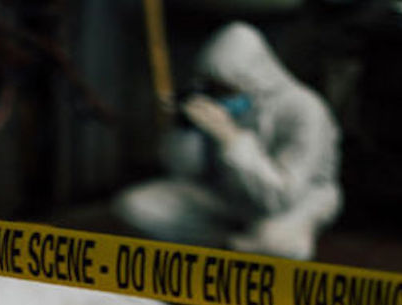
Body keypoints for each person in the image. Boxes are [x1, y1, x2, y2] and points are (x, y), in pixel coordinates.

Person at [116, 22, 341, 261]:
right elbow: (186, 175)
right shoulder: (221, 102)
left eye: (227, 89)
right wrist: (185, 129)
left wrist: (231, 138)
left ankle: (246, 244)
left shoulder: (304, 109)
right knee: (134, 207)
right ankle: (234, 245)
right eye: (213, 88)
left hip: (293, 200)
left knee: (276, 243)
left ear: (253, 78)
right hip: (229, 192)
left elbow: (279, 197)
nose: (219, 96)